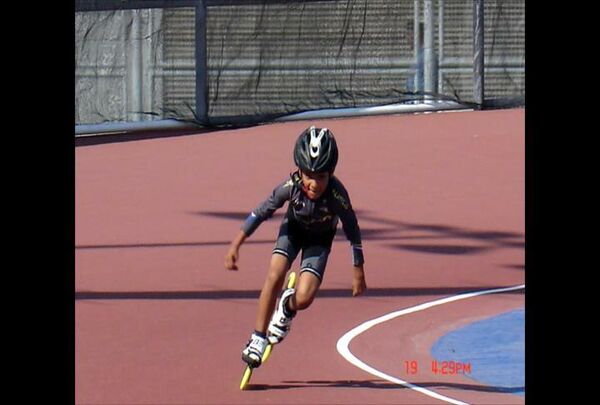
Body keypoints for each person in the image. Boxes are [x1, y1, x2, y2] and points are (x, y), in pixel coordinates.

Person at [224, 126, 367, 368]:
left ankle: (287, 307)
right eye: (308, 175)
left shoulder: (337, 195)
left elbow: (352, 227)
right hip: (293, 231)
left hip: (319, 241)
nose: (313, 183)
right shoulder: (290, 187)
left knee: (305, 298)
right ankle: (257, 337)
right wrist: (235, 245)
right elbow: (260, 212)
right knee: (275, 273)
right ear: (299, 171)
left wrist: (358, 270)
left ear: (331, 174)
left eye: (321, 177)